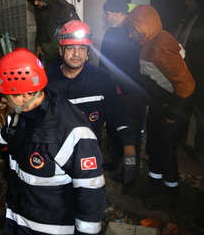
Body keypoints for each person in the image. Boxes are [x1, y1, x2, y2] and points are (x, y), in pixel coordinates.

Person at [0, 48, 104, 235]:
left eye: (5, 95)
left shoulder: (73, 132)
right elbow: (4, 136)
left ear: (24, 95)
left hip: (51, 229)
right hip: (17, 220)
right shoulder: (18, 116)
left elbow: (90, 193)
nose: (2, 99)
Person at [46, 20, 137, 185]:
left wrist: (129, 148)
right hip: (54, 152)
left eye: (82, 48)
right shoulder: (47, 80)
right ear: (60, 50)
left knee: (89, 199)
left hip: (89, 153)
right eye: (70, 48)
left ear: (88, 52)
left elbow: (118, 113)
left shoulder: (101, 80)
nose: (76, 54)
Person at [125, 5, 196, 209]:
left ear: (144, 25)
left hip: (173, 106)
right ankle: (155, 184)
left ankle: (171, 192)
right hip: (162, 103)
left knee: (165, 149)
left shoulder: (159, 45)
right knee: (155, 145)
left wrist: (173, 113)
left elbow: (186, 85)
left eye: (133, 29)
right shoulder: (152, 40)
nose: (130, 35)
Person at [99, 0, 146, 183]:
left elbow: (135, 65)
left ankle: (130, 172)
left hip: (130, 93)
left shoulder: (133, 33)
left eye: (108, 14)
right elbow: (105, 61)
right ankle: (116, 161)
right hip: (114, 90)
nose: (106, 17)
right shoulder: (112, 31)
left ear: (117, 13)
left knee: (130, 135)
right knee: (113, 128)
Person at [175, 0, 204, 162]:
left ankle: (198, 148)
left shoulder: (201, 21)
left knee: (199, 112)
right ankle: (183, 142)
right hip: (186, 71)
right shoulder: (187, 20)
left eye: (190, 0)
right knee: (185, 108)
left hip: (199, 73)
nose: (186, 3)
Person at [27, 0, 79, 65]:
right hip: (46, 55)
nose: (35, 3)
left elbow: (75, 36)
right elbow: (40, 29)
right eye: (33, 0)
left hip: (62, 55)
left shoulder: (64, 9)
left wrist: (52, 49)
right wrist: (38, 45)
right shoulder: (39, 8)